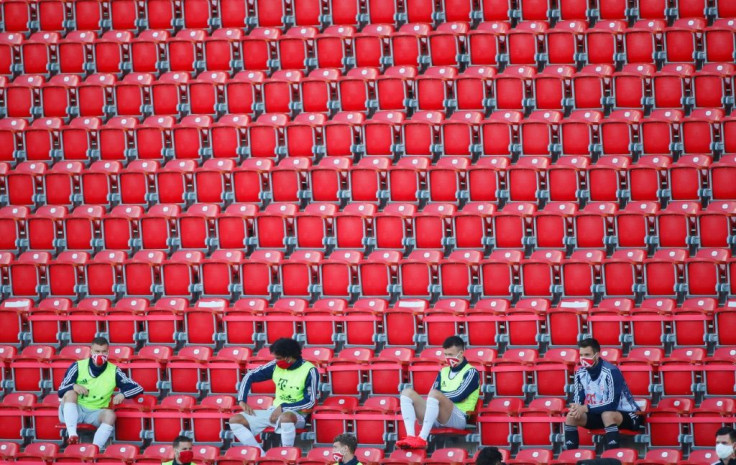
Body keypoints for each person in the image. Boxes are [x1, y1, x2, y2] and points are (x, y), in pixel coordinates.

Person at [229, 338, 319, 454]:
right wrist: (242, 400)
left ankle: (286, 455)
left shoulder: (309, 370)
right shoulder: (275, 365)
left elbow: (310, 402)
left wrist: (283, 407)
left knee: (285, 417)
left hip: (298, 414)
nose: (276, 361)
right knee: (235, 420)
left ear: (288, 357)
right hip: (274, 411)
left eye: (278, 358)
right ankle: (261, 455)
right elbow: (249, 376)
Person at [395, 335, 480, 449]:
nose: (447, 358)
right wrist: (438, 396)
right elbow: (433, 394)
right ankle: (410, 436)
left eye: (451, 354)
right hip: (438, 415)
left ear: (461, 353)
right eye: (445, 354)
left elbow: (459, 395)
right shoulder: (443, 371)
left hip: (459, 417)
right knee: (406, 393)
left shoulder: (471, 372)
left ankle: (422, 439)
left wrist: (440, 395)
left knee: (435, 394)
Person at [58, 337, 143, 448]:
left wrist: (123, 394)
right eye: (97, 351)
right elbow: (61, 389)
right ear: (91, 351)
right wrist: (74, 386)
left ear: (108, 352)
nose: (100, 355)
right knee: (70, 393)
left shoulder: (114, 370)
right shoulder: (78, 366)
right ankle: (72, 435)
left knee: (110, 415)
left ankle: (95, 449)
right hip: (76, 409)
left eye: (103, 352)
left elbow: (138, 387)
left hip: (96, 412)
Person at [564, 338, 641, 451]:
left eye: (587, 354)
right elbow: (578, 399)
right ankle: (571, 457)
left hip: (627, 415)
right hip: (598, 414)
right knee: (571, 416)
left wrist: (585, 408)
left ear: (597, 354)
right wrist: (576, 408)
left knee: (607, 414)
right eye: (581, 355)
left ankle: (612, 457)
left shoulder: (611, 372)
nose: (583, 358)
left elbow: (612, 405)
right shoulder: (580, 373)